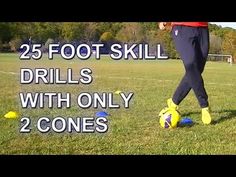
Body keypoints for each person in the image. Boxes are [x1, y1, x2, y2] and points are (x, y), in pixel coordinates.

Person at [159, 22, 212, 124]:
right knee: (190, 64)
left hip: (203, 28)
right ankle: (204, 105)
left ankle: (174, 101)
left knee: (196, 70)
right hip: (182, 27)